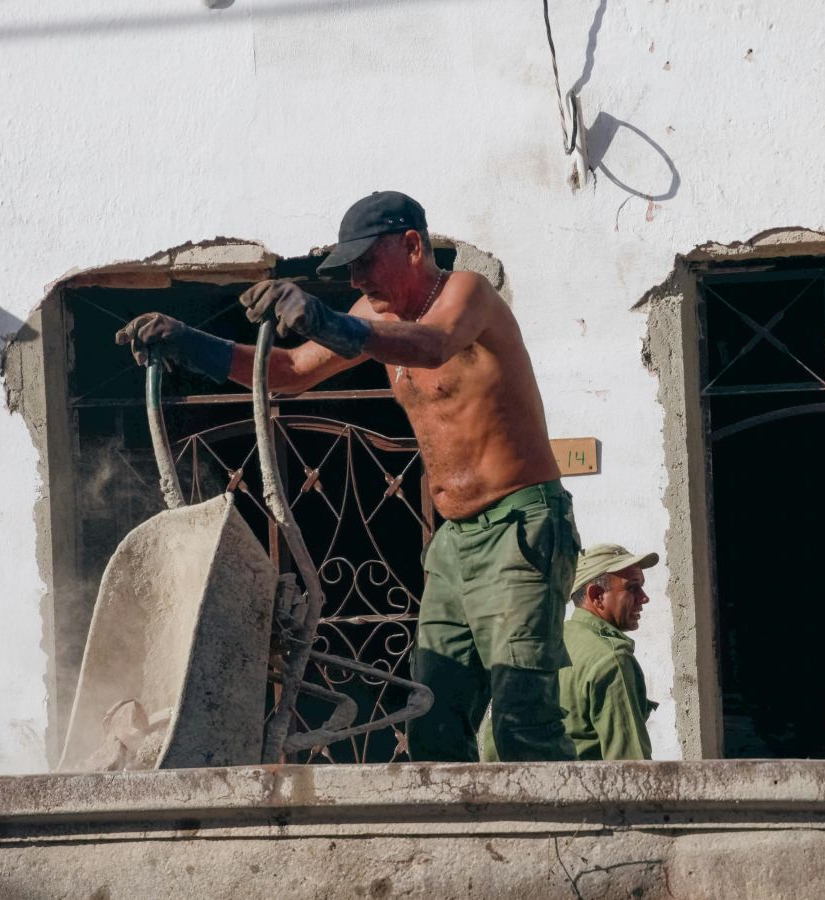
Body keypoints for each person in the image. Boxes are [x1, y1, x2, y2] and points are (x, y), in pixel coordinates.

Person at [115, 191, 578, 762]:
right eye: (349, 268)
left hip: (518, 526)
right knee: (432, 715)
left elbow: (432, 346)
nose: (357, 280)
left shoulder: (467, 295)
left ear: (412, 245)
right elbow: (287, 372)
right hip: (453, 544)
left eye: (365, 262)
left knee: (521, 714)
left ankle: (564, 842)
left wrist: (327, 320)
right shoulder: (372, 318)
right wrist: (188, 342)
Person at [558, 543, 660, 760]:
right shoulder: (612, 660)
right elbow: (630, 766)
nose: (644, 598)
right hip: (587, 791)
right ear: (596, 595)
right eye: (632, 588)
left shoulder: (553, 642)